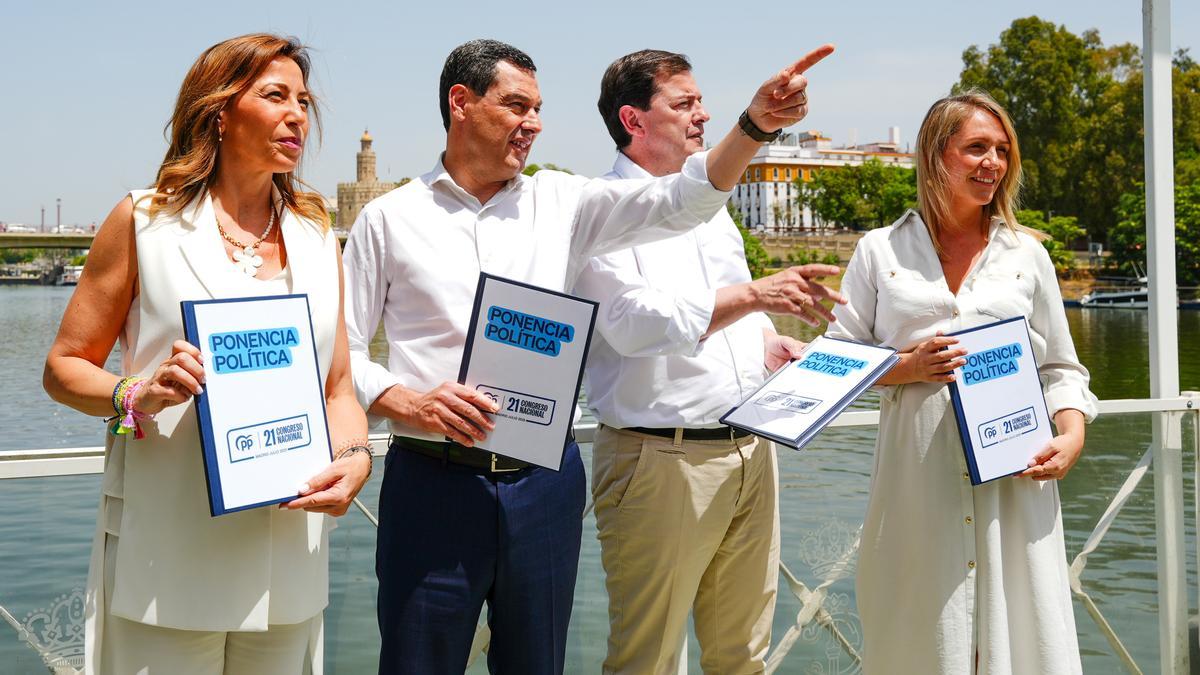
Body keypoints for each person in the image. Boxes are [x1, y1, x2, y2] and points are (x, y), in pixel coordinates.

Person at [342, 38, 833, 675]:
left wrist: (754, 125)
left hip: (544, 483)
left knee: (538, 664)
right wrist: (403, 399)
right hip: (432, 480)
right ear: (460, 103)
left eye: (539, 108)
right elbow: (343, 351)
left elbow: (684, 199)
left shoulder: (564, 203)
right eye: (517, 105)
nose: (535, 124)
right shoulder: (387, 218)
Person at [42, 34, 372, 675]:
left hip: (291, 563)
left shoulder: (315, 234)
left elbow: (336, 389)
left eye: (303, 101)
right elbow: (63, 366)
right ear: (219, 111)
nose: (297, 114)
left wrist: (356, 460)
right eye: (275, 95)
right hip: (167, 559)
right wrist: (133, 393)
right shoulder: (142, 221)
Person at [572, 49, 845, 674]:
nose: (703, 115)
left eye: (702, 102)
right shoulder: (597, 209)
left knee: (743, 656)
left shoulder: (713, 207)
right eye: (685, 104)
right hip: (658, 461)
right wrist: (755, 295)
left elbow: (728, 317)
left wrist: (765, 346)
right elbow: (630, 326)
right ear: (633, 120)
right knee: (648, 659)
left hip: (752, 451)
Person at [826, 90, 1097, 674]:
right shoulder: (879, 251)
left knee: (1022, 640)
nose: (992, 163)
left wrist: (1071, 435)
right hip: (915, 491)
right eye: (976, 147)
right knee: (919, 640)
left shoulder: (1028, 254)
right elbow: (833, 362)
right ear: (934, 155)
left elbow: (1061, 369)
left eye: (1002, 150)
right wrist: (905, 366)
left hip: (1015, 486)